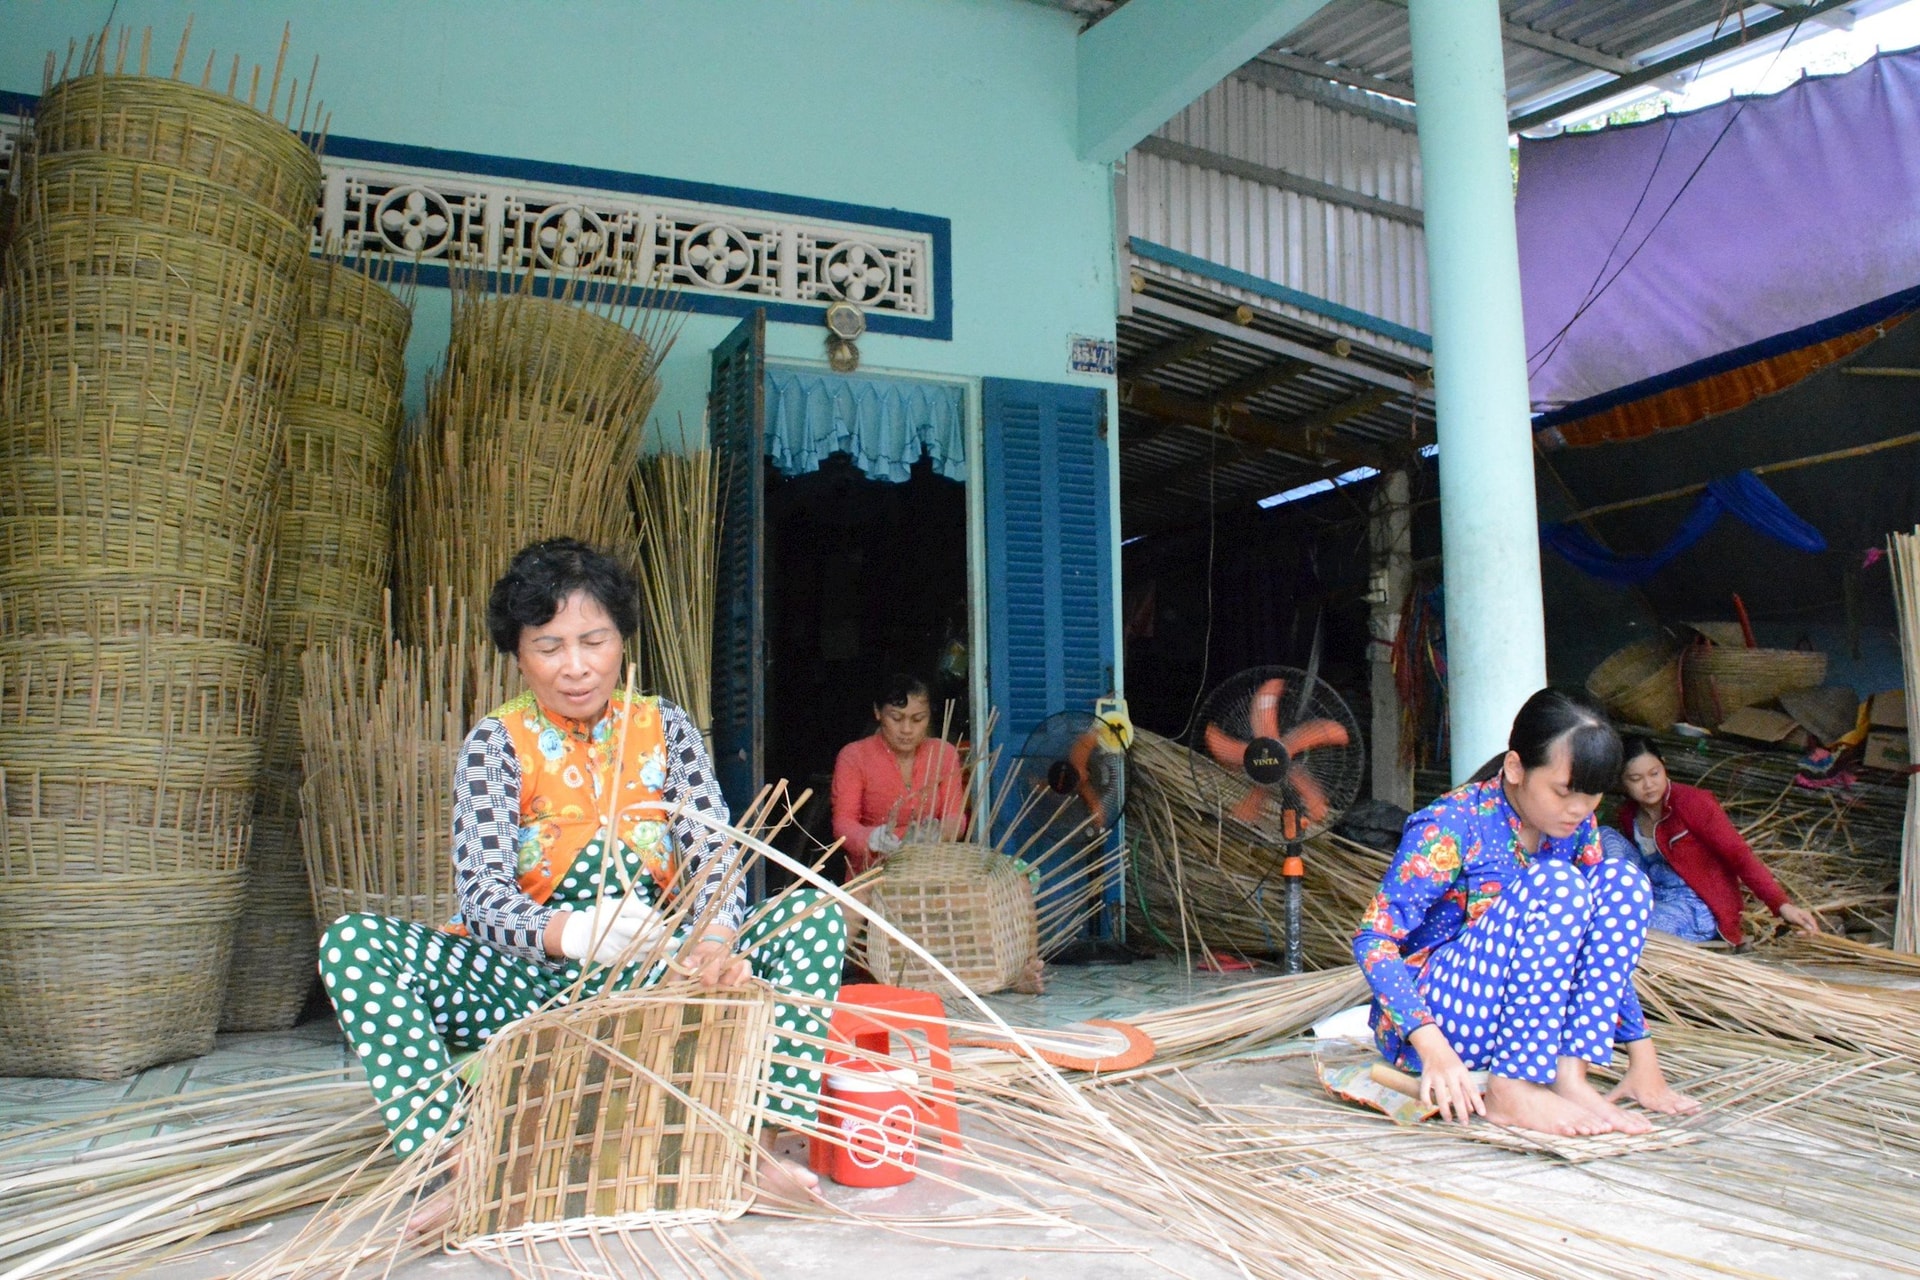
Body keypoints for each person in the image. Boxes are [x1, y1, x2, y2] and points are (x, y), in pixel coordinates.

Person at [317, 538, 844, 1205]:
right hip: (527, 985)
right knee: (353, 945)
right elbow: (480, 894)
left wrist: (712, 944)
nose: (575, 668)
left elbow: (714, 852)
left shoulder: (667, 728)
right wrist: (569, 933)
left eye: (593, 641)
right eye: (548, 647)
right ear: (517, 654)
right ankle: (453, 1165)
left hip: (664, 973)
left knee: (813, 914)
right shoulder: (495, 743)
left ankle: (763, 1147)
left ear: (622, 640)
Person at [1352, 689, 1698, 1136]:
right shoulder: (1452, 824)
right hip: (1446, 1024)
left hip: (1534, 1033)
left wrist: (1641, 1051)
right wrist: (1433, 1047)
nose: (1580, 809)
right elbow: (1373, 940)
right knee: (1558, 883)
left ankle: (1569, 1076)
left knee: (1624, 882)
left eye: (1593, 795)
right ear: (1515, 768)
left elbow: (1604, 937)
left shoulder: (1576, 826)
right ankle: (1511, 1088)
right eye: (1564, 791)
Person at [1614, 735, 1822, 946]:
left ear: (1664, 766)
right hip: (1652, 894)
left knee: (1632, 932)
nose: (1648, 784)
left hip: (1695, 904)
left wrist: (1781, 905)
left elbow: (1739, 855)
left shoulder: (1693, 803)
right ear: (1622, 781)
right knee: (1604, 835)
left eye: (1654, 773)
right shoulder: (1628, 815)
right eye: (1636, 779)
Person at [830, 673, 966, 877]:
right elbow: (843, 823)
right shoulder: (854, 756)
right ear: (878, 712)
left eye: (918, 719)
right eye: (896, 718)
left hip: (930, 872)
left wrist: (941, 833)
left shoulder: (943, 754)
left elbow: (955, 814)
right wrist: (872, 838)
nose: (907, 729)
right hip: (872, 875)